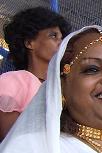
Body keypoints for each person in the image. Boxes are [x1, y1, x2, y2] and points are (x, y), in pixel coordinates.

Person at [0, 6, 71, 141]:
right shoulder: (13, 81)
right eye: (53, 36)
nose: (61, 43)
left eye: (62, 38)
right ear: (29, 43)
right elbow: (12, 143)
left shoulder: (66, 87)